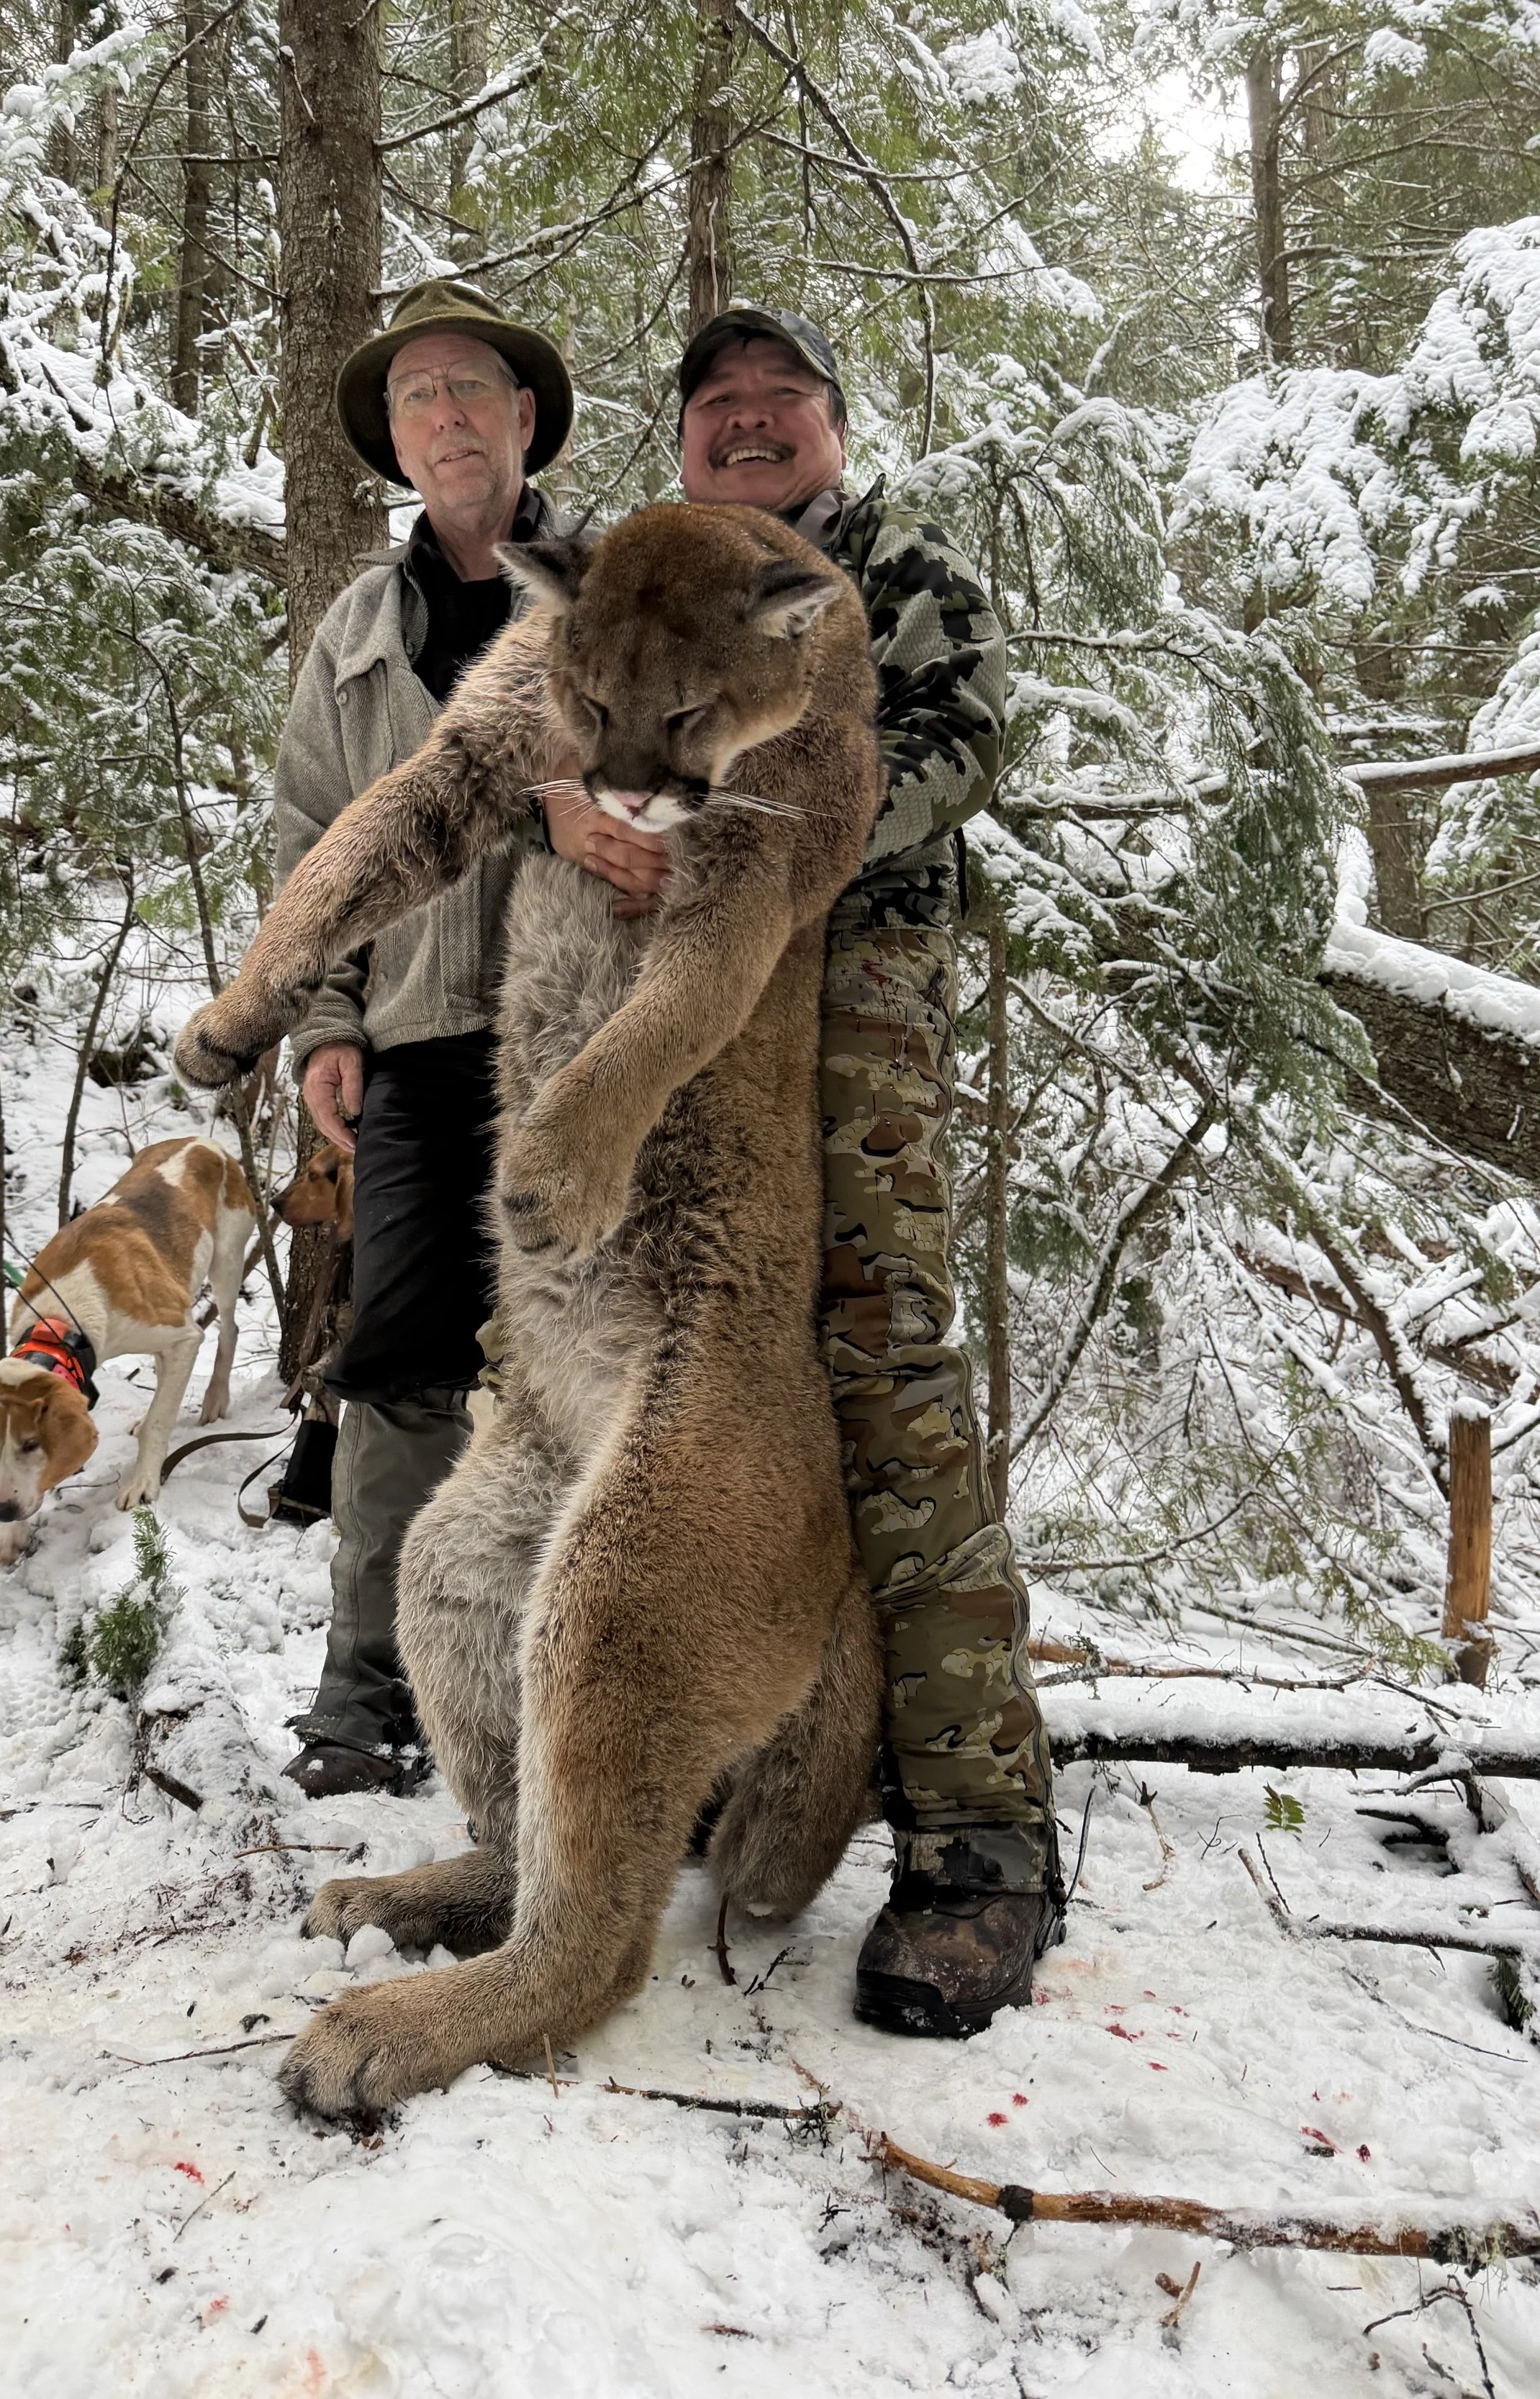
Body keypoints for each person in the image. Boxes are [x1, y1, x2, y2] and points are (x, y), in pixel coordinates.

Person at [543, 305, 1061, 2037]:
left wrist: (768, 837)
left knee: (881, 1362)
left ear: (832, 428)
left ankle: (979, 1840)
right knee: (670, 1373)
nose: (751, 422)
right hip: (660, 993)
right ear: (681, 440)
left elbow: (968, 744)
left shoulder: (887, 567)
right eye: (718, 404)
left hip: (844, 981)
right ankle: (711, 1765)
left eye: (784, 399)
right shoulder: (649, 572)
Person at [276, 281, 574, 1799]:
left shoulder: (606, 592)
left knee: (592, 1365)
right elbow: (315, 840)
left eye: (470, 389)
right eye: (416, 400)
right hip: (412, 1046)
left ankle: (579, 1667)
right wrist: (325, 1020)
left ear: (525, 421)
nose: (445, 415)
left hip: (582, 1052)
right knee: (395, 1360)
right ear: (393, 446)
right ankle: (366, 1683)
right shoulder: (352, 632)